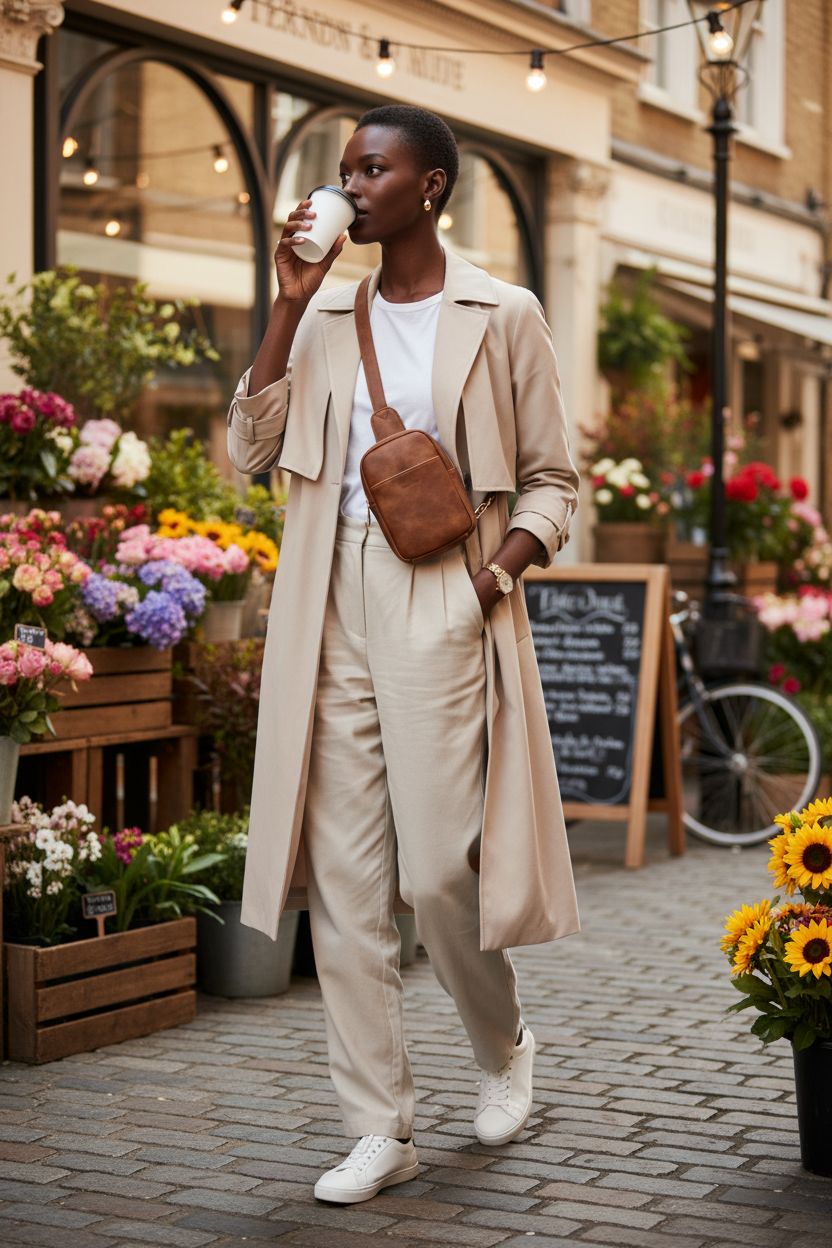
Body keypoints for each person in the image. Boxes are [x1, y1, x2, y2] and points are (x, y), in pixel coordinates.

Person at [227, 103, 580, 1205]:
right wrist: (285, 311)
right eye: (344, 172)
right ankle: (380, 1124)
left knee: (436, 873)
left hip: (443, 592)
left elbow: (554, 480)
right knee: (343, 882)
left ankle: (504, 1040)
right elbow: (250, 448)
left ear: (430, 186)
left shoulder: (503, 311)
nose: (352, 188)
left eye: (373, 170)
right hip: (326, 606)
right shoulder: (326, 313)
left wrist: (495, 573)